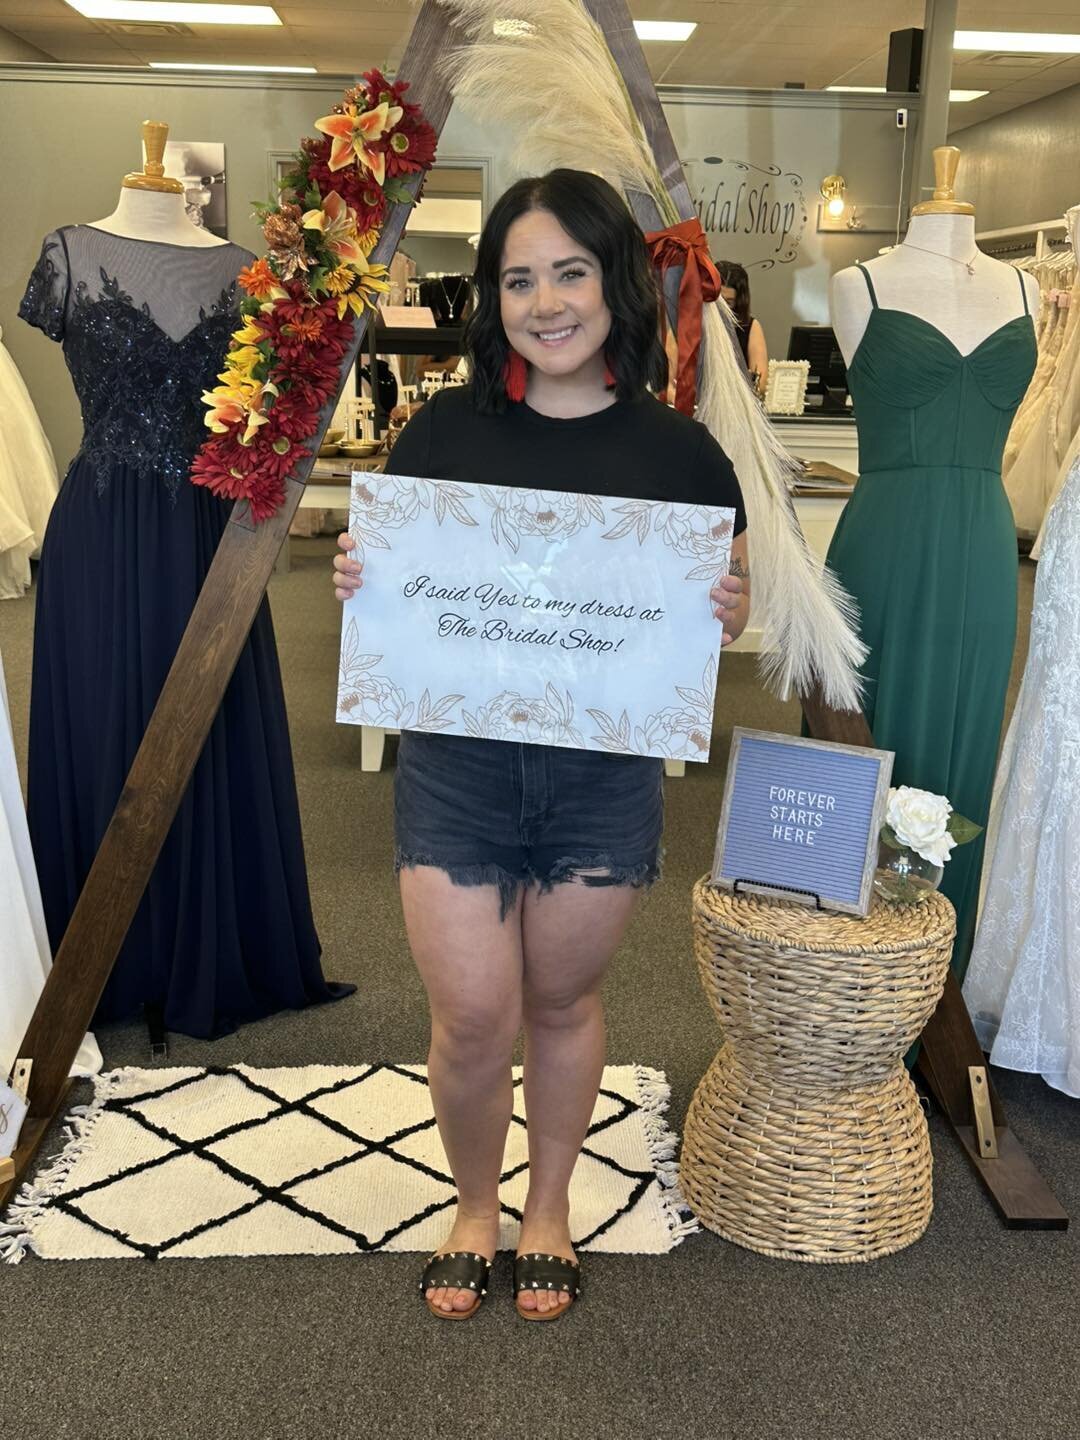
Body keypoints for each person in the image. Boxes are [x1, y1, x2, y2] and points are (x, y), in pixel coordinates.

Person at [332, 169, 749, 1321]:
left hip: (600, 777)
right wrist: (363, 579)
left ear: (614, 282)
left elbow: (726, 604)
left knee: (562, 1006)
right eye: (519, 279)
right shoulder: (438, 432)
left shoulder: (681, 457)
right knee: (472, 1012)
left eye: (570, 271)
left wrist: (729, 611)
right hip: (458, 770)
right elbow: (398, 594)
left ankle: (548, 1206)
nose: (546, 300)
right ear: (493, 298)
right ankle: (475, 1204)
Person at [718, 260, 768, 394]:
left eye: (729, 302)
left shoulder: (751, 327)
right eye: (719, 300)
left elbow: (760, 384)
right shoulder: (689, 324)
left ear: (739, 301)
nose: (722, 308)